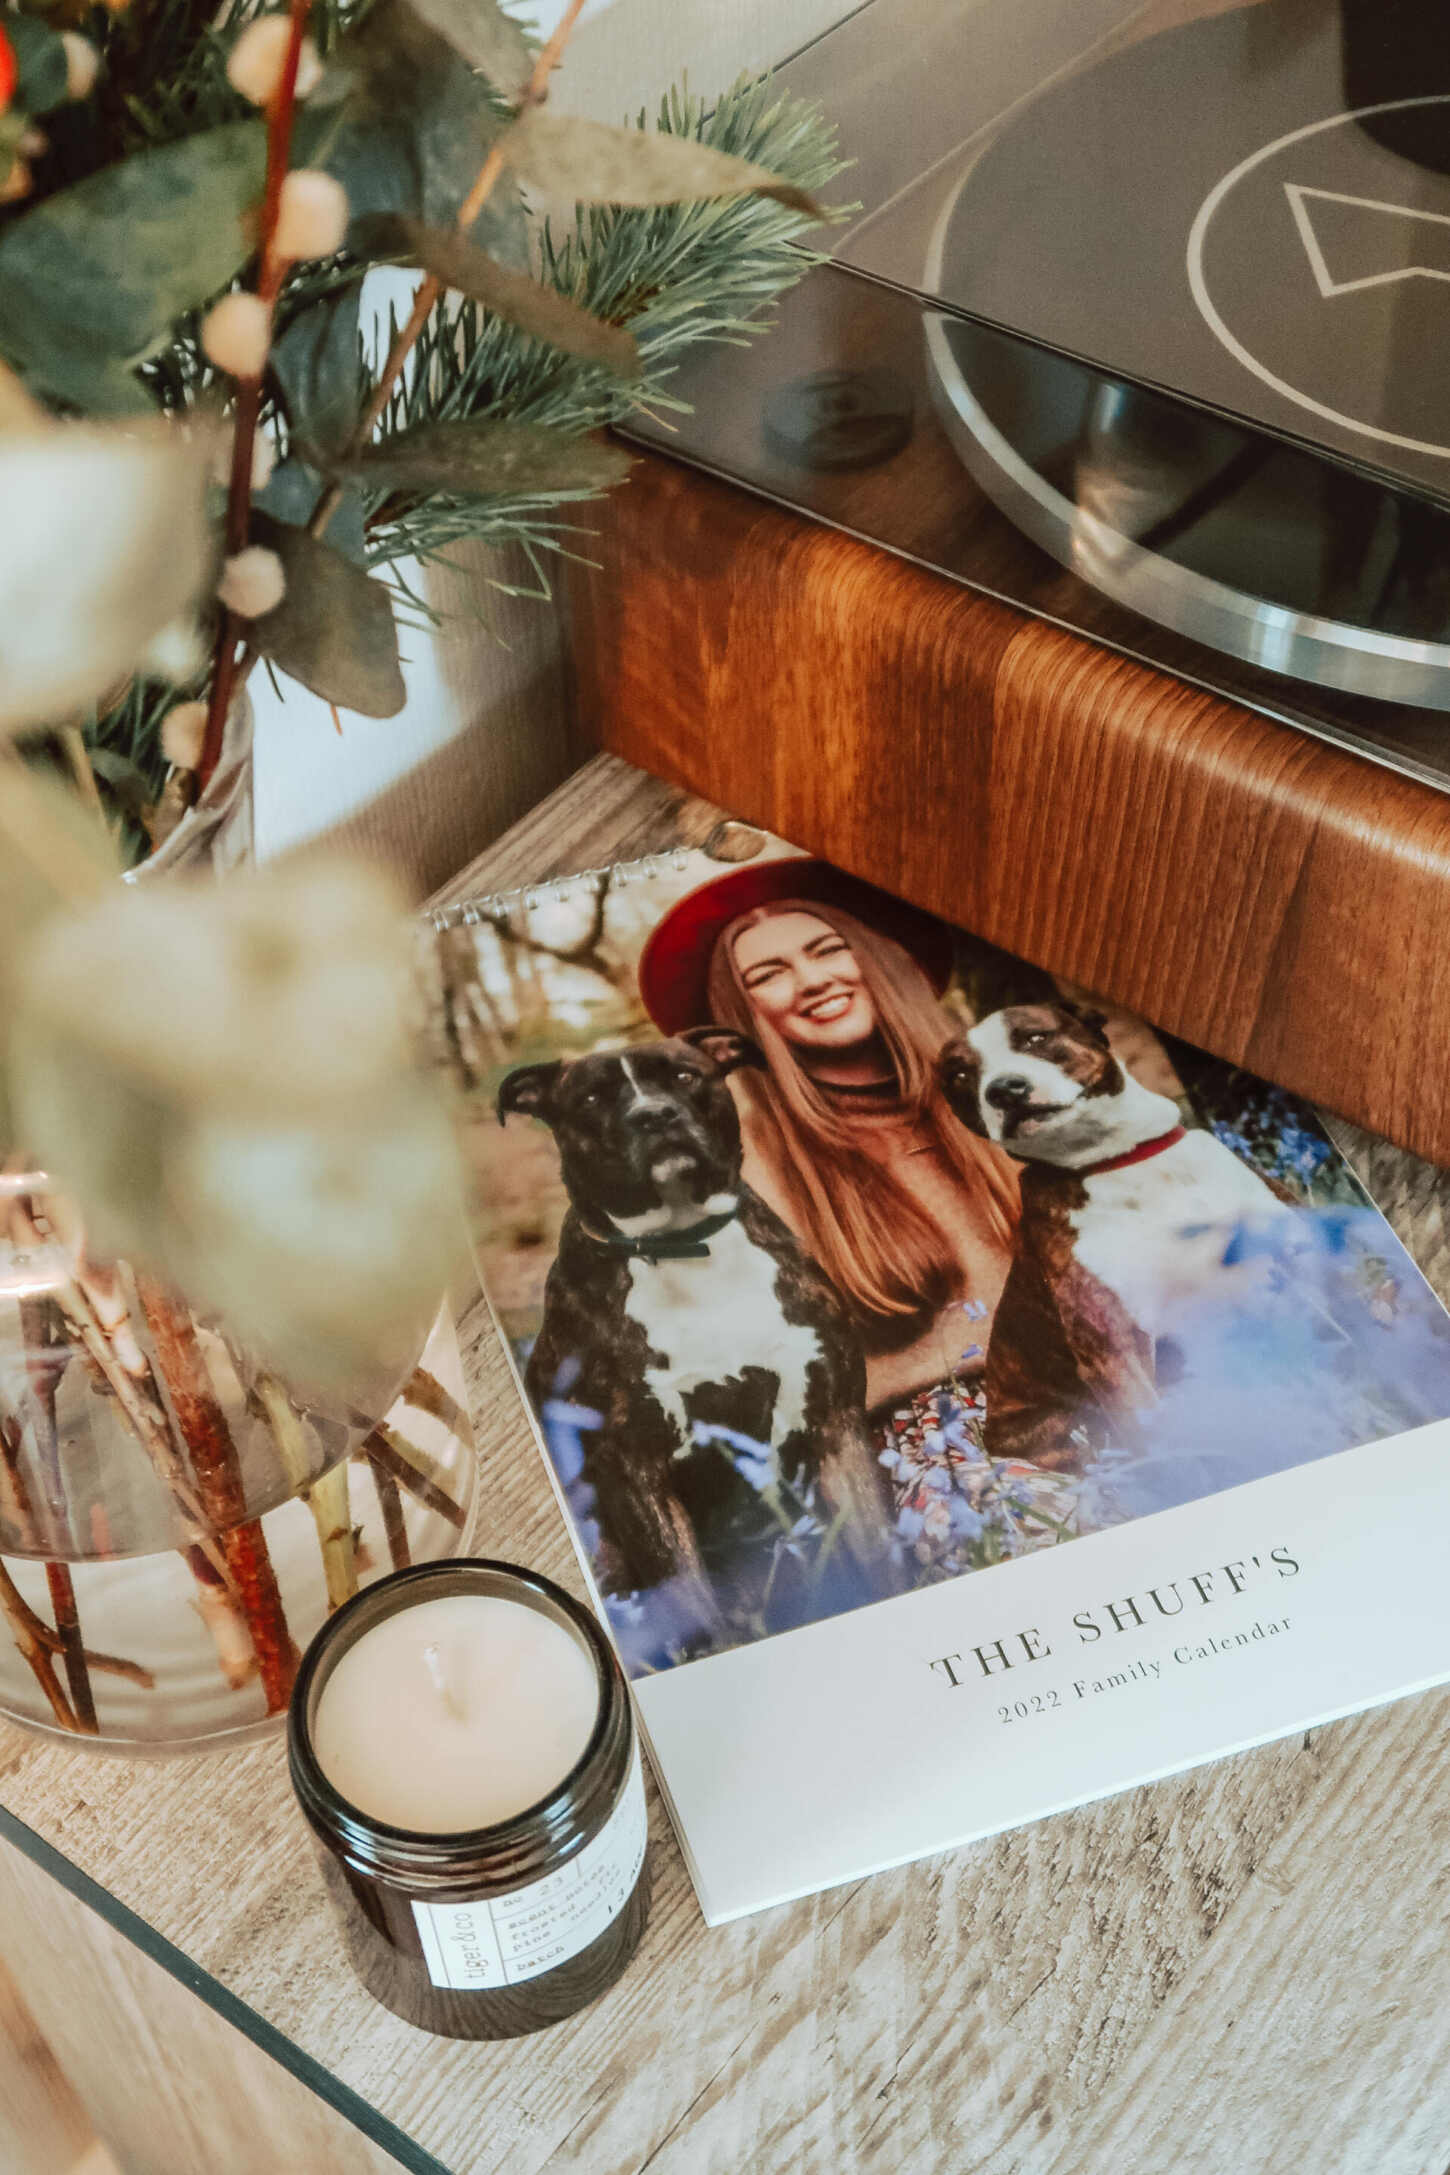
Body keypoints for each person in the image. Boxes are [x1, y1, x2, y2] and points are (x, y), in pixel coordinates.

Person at [639, 859, 1078, 1576]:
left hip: (1099, 1386)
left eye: (827, 950)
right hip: (944, 1442)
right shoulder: (744, 1175)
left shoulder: (1010, 1098)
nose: (812, 980)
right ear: (744, 1021)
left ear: (875, 961)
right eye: (769, 976)